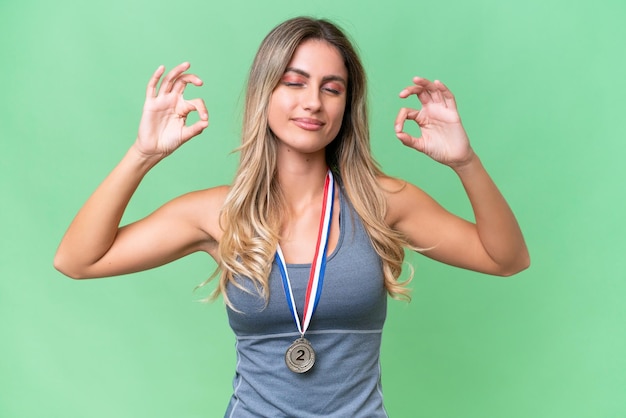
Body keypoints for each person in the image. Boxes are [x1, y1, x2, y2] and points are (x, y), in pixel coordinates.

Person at [54, 16, 529, 417]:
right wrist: (142, 153)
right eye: (294, 82)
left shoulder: (381, 202)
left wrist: (465, 162)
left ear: (347, 105)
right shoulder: (220, 213)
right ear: (265, 92)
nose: (313, 102)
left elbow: (505, 258)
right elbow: (77, 260)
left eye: (332, 88)